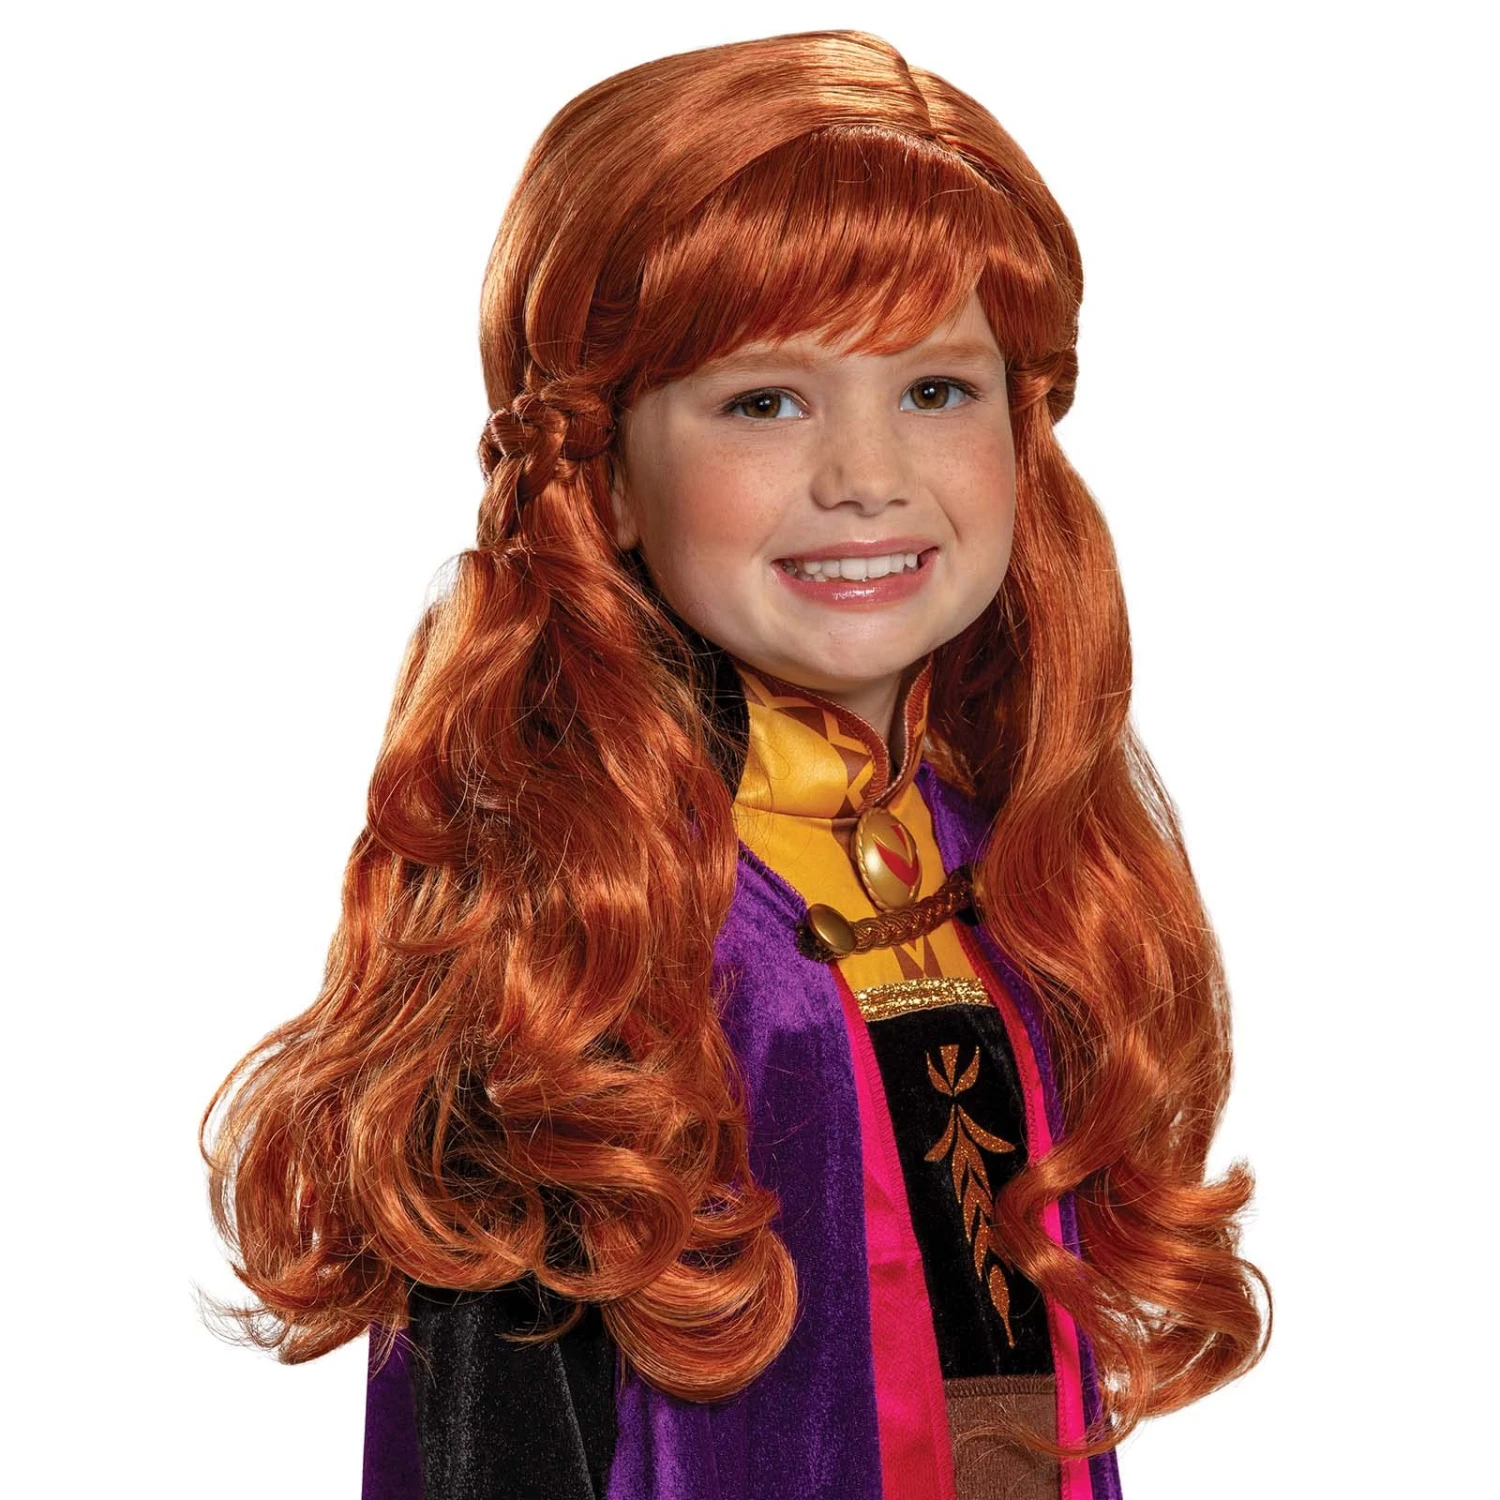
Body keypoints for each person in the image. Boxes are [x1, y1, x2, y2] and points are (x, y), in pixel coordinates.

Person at [203, 28, 1269, 1500]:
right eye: (764, 402)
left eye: (937, 390)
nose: (868, 477)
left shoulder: (1011, 865)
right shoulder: (573, 935)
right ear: (603, 476)